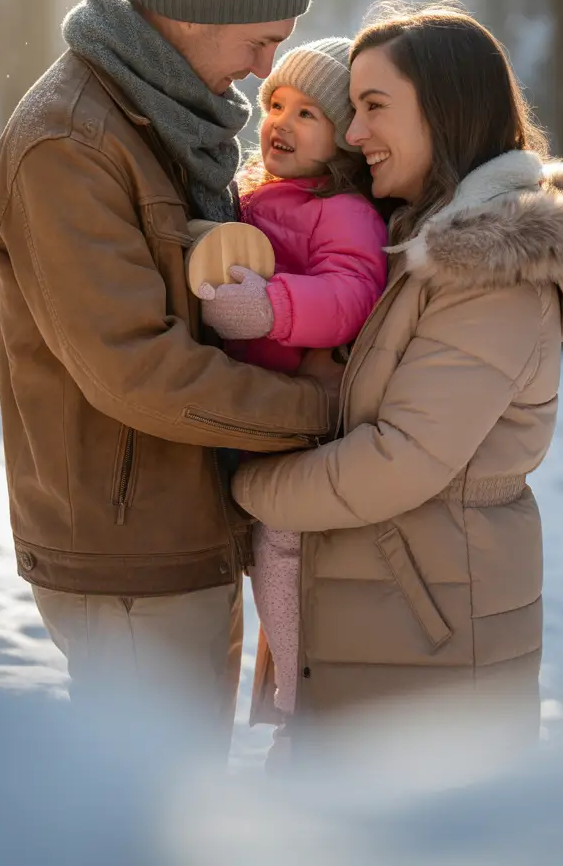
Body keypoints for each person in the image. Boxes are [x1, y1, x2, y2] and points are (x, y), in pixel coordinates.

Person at [0, 0, 342, 747]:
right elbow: (136, 368)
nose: (265, 69)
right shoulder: (72, 143)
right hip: (129, 552)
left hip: (181, 525)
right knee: (150, 805)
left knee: (183, 794)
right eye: (260, 41)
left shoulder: (161, 117)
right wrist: (326, 411)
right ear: (194, 13)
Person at [232, 2, 563, 744]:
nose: (354, 134)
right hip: (389, 607)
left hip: (427, 628)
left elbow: (399, 459)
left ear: (443, 112)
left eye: (374, 107)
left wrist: (244, 488)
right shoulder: (416, 240)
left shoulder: (492, 271)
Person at [197, 37, 388, 758]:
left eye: (308, 113)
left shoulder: (342, 211)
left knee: (282, 543)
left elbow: (351, 294)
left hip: (301, 417)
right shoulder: (251, 194)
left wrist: (271, 306)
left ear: (344, 138)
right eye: (276, 103)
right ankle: (286, 686)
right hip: (250, 408)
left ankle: (300, 695)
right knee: (260, 548)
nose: (281, 120)